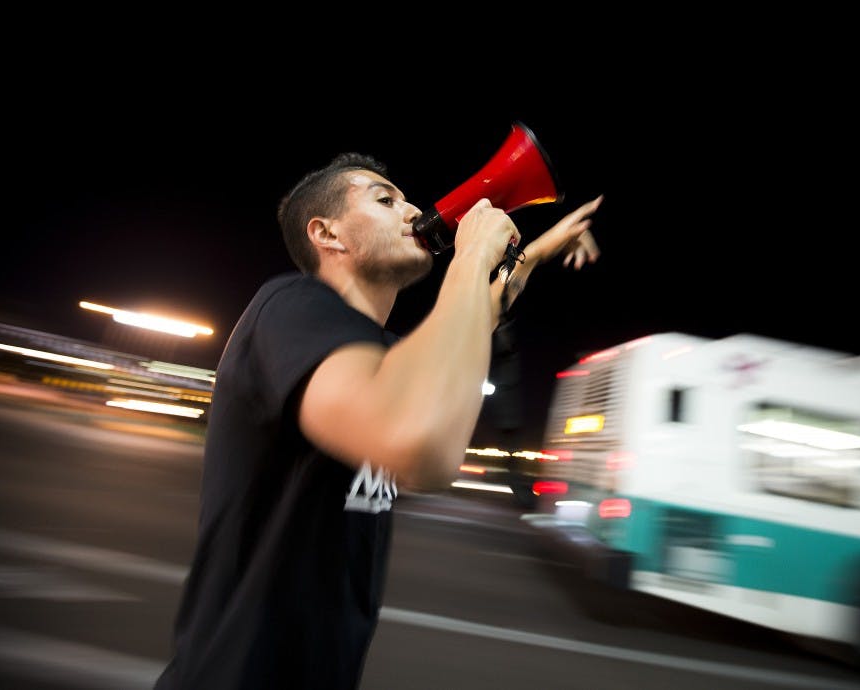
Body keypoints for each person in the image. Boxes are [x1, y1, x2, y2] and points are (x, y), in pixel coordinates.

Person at [153, 152, 602, 690]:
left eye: (405, 198)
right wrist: (469, 258)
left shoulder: (386, 357)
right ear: (328, 234)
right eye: (385, 199)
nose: (412, 209)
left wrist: (529, 256)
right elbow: (416, 443)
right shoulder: (290, 307)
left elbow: (465, 333)